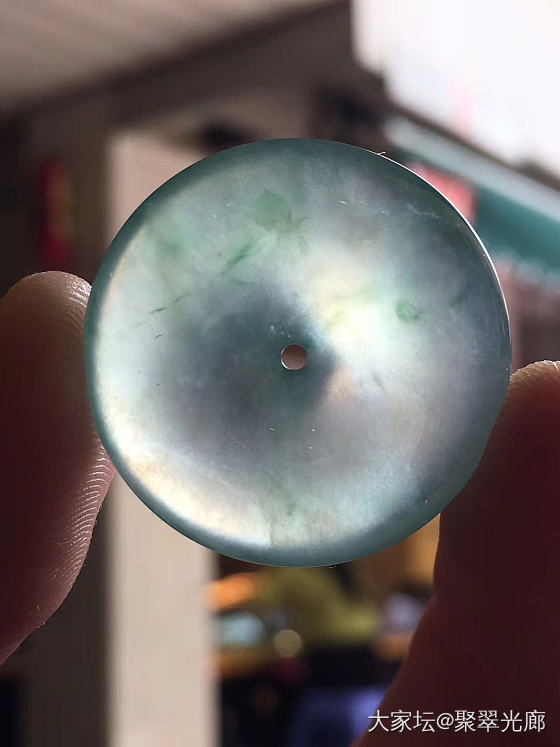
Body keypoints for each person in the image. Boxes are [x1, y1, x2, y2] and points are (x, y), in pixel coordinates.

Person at [1, 272, 559, 745]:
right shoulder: (347, 574)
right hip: (365, 682)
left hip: (331, 686)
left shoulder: (295, 575)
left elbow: (256, 600)